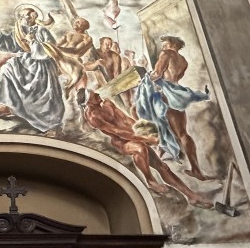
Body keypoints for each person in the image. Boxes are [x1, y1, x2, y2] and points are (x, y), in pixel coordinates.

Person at [77, 88, 212, 208]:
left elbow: (126, 120)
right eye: (94, 95)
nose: (97, 94)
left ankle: (191, 196)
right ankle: (150, 180)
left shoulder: (106, 103)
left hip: (133, 134)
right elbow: (118, 132)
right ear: (89, 103)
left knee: (163, 167)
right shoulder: (93, 117)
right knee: (140, 148)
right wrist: (144, 139)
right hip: (122, 142)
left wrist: (142, 130)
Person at [137, 35, 209, 180]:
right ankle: (196, 169)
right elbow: (174, 78)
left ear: (173, 44)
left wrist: (143, 74)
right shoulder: (183, 61)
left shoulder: (166, 54)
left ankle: (161, 161)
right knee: (181, 133)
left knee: (158, 126)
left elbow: (157, 75)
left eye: (165, 44)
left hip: (165, 95)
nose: (162, 47)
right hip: (177, 95)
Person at [0, 5, 65, 133]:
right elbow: (11, 44)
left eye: (25, 16)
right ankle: (7, 106)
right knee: (6, 69)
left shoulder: (42, 31)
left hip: (40, 64)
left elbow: (50, 49)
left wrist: (33, 42)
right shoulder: (19, 30)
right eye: (20, 16)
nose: (22, 18)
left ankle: (51, 124)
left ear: (33, 16)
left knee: (45, 92)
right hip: (23, 61)